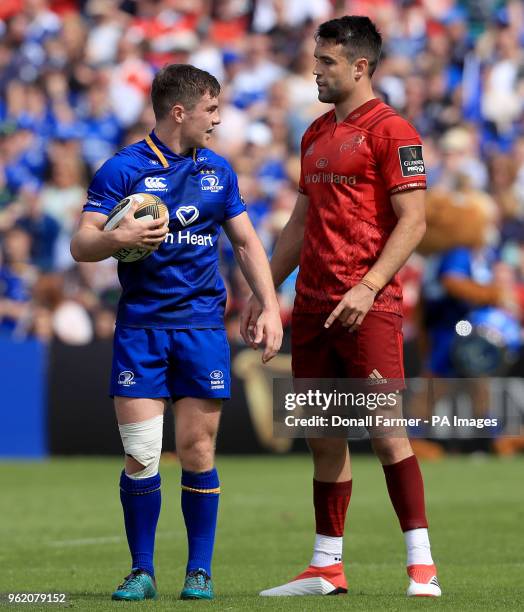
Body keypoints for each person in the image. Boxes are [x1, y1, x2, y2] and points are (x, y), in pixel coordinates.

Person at [242, 16, 441, 598]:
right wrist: (265, 291)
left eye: (326, 62)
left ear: (359, 67)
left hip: (369, 306)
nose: (315, 71)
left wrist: (369, 285)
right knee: (323, 436)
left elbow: (415, 221)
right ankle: (326, 567)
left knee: (386, 431)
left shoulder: (394, 132)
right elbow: (299, 224)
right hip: (313, 305)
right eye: (316, 59)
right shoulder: (314, 133)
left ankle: (421, 564)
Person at [70, 64, 282, 602]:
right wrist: (121, 235)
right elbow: (81, 244)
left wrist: (271, 306)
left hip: (203, 328)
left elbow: (247, 244)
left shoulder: (218, 171)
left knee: (197, 449)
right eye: (212, 109)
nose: (218, 119)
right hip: (142, 328)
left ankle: (199, 572)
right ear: (180, 112)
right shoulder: (122, 169)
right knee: (142, 453)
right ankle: (142, 571)